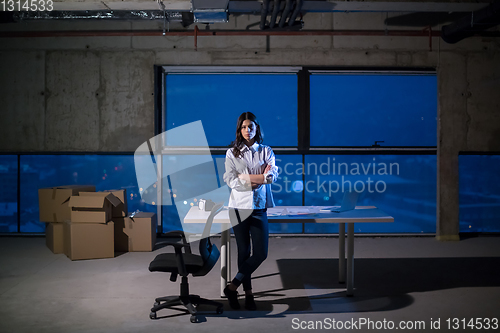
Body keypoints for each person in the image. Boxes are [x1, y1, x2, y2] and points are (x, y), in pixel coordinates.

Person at [222, 112, 278, 311]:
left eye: (251, 127)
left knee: (261, 253)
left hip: (259, 206)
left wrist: (247, 178)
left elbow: (271, 177)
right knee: (244, 251)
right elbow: (230, 180)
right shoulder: (232, 153)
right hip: (238, 207)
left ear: (257, 128)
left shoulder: (266, 151)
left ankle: (232, 286)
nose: (248, 130)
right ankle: (248, 293)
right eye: (244, 127)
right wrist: (258, 178)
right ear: (239, 129)